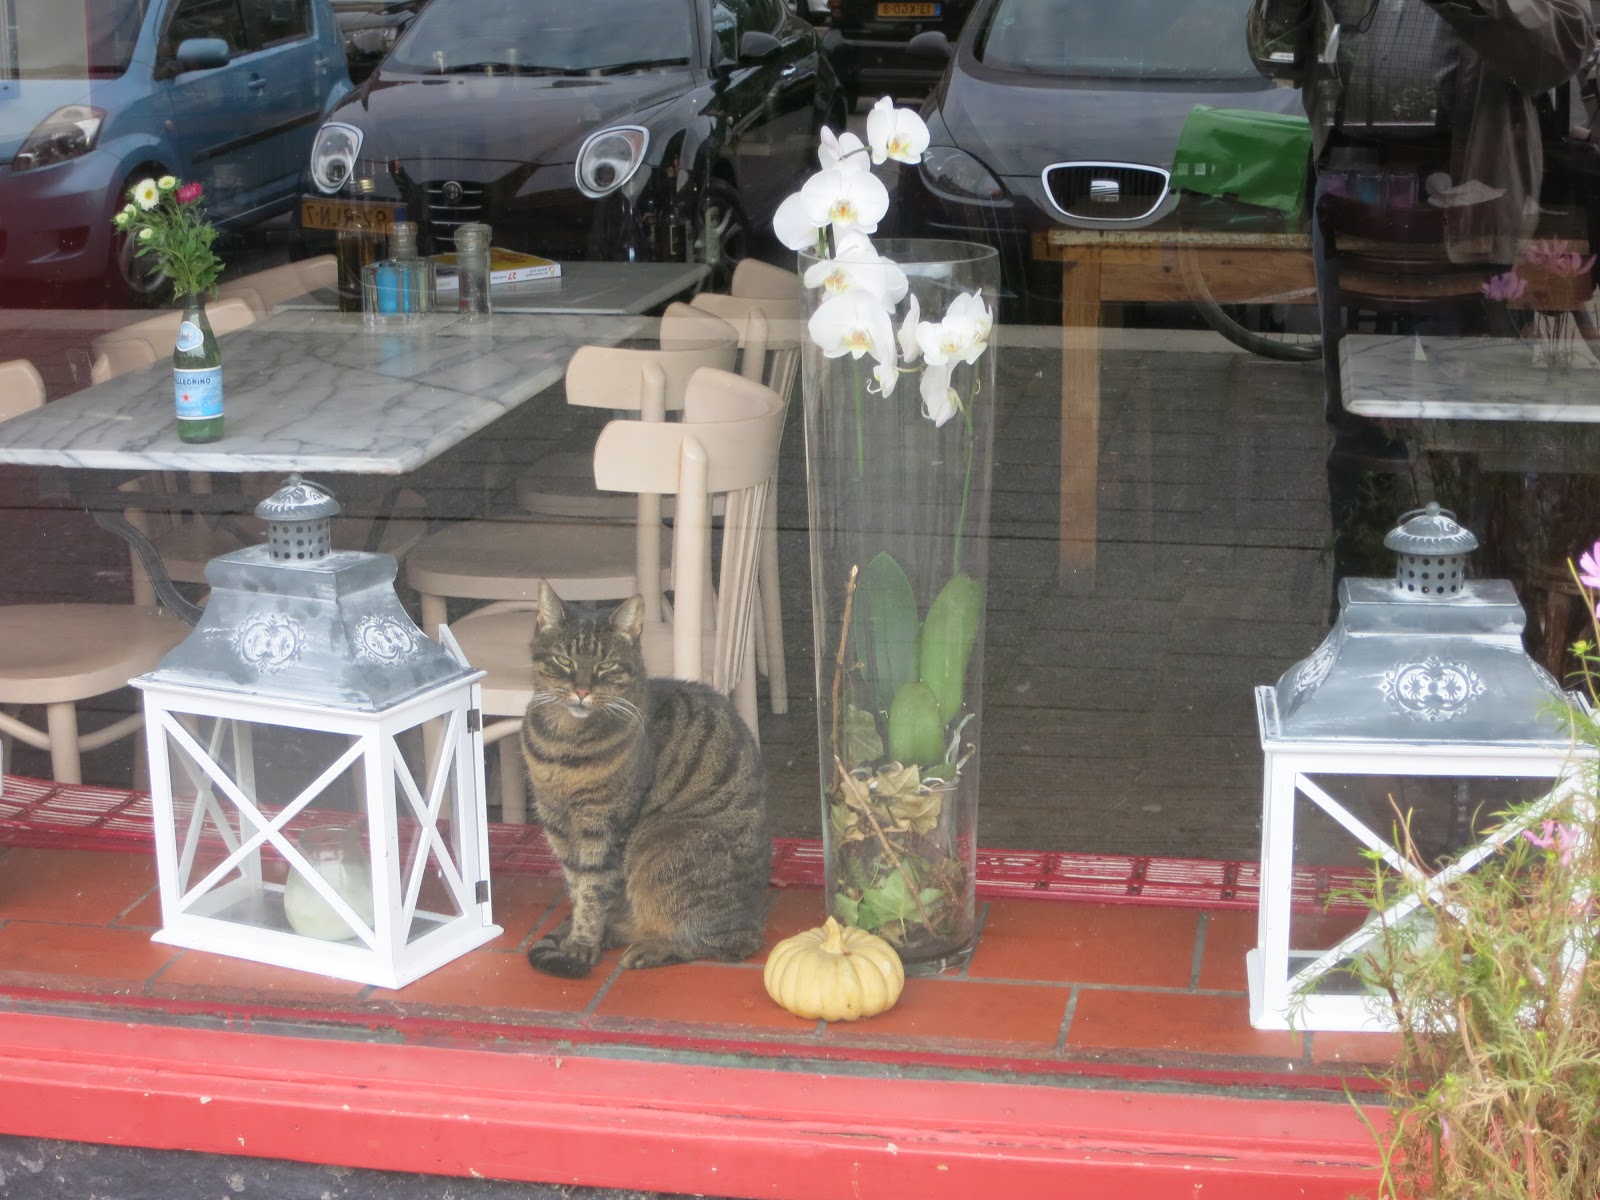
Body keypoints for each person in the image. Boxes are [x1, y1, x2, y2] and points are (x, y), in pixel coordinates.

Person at [1246, 0, 1595, 599]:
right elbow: (1274, 55)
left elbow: (1559, 48)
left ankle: (1473, 612)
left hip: (1471, 201)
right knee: (1359, 428)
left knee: (1472, 430)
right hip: (1352, 192)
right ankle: (1360, 604)